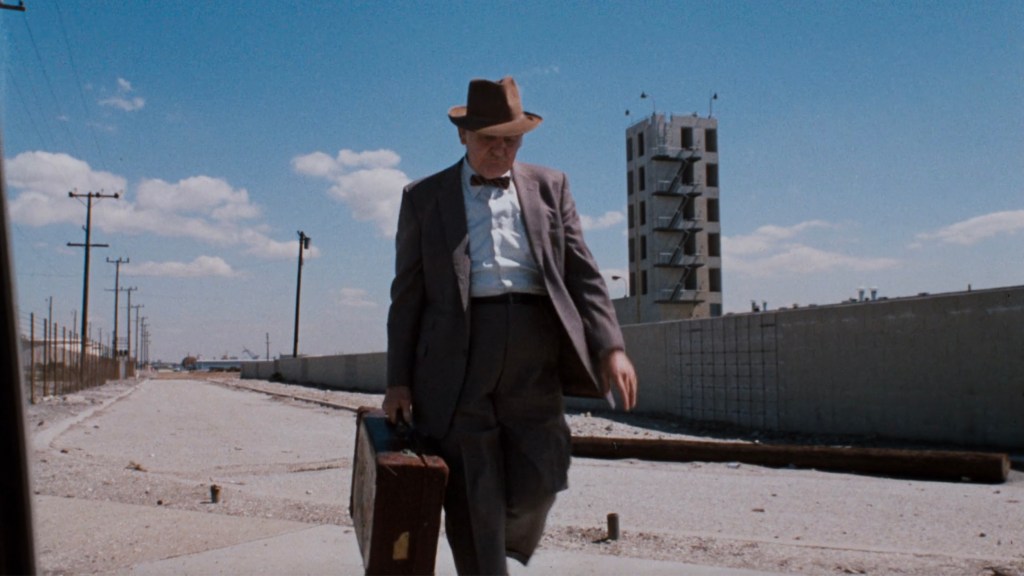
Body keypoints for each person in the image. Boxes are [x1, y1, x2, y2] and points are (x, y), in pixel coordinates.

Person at [383, 76, 637, 575]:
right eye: (488, 140)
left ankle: (496, 541)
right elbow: (406, 296)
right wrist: (398, 381)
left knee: (542, 476)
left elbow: (583, 271)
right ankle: (485, 558)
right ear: (462, 136)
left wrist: (611, 346)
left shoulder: (551, 185)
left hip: (535, 351)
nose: (500, 150)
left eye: (511, 140)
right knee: (474, 486)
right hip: (458, 361)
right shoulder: (423, 197)